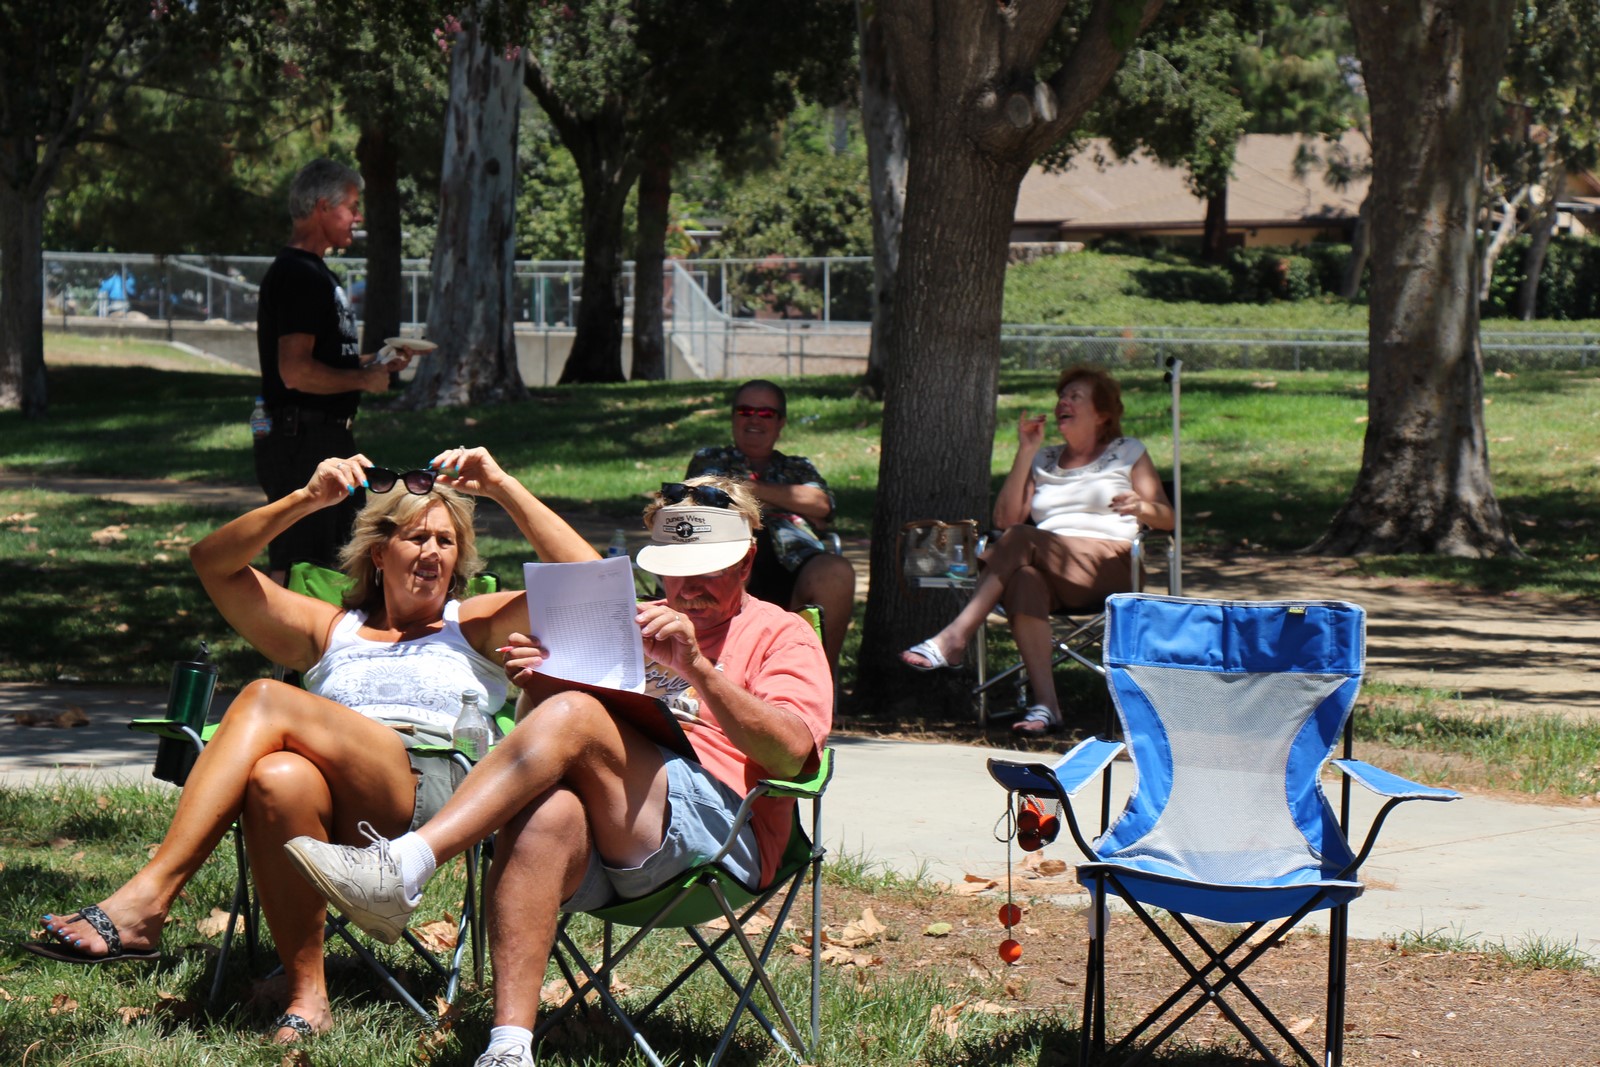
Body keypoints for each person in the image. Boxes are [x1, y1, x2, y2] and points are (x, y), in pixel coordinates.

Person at [25, 446, 594, 1045]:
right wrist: (307, 499)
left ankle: (148, 898)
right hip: (330, 805)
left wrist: (502, 486)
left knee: (267, 697)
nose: (431, 552)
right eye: (414, 537)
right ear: (379, 552)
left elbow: (587, 583)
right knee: (277, 777)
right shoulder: (331, 627)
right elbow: (212, 563)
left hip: (433, 791)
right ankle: (307, 997)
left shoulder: (474, 622)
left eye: (445, 543)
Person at [281, 475, 833, 1067]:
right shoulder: (634, 622)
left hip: (720, 833)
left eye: (709, 569)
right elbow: (552, 730)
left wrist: (700, 668)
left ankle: (406, 864)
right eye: (675, 568)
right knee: (549, 810)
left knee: (575, 714)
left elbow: (791, 754)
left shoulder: (781, 633)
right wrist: (540, 683)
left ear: (747, 562)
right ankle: (509, 1047)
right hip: (613, 829)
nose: (687, 586)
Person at [901, 366, 1173, 736]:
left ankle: (954, 637)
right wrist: (1026, 451)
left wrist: (1142, 507)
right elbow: (1004, 517)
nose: (1064, 402)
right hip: (1047, 563)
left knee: (1020, 538)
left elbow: (1167, 518)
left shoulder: (1127, 452)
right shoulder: (1044, 459)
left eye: (1076, 397)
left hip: (1111, 563)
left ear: (1102, 413)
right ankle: (1047, 706)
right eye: (1062, 396)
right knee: (1024, 578)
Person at [255, 158, 422, 584]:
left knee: (333, 558)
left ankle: (319, 647)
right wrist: (363, 379)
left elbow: (324, 362)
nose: (358, 216)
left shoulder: (317, 273)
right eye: (350, 205)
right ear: (321, 207)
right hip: (301, 440)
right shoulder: (297, 274)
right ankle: (288, 651)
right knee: (300, 564)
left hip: (323, 435)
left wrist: (376, 363)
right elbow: (294, 372)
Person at [685, 379, 856, 675]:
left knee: (836, 572)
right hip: (729, 553)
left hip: (797, 558)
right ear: (733, 418)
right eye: (745, 411)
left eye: (766, 413)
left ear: (781, 423)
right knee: (731, 562)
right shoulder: (709, 459)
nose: (754, 419)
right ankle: (724, 678)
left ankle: (819, 685)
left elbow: (822, 505)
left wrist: (747, 489)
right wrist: (787, 499)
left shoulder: (798, 467)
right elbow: (702, 496)